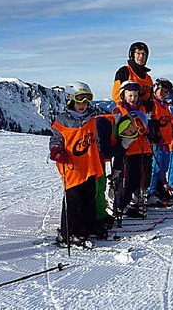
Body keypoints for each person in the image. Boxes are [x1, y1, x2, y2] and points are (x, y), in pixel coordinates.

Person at [49, 82, 106, 245]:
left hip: (89, 165)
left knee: (90, 197)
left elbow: (97, 139)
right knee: (73, 200)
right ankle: (69, 232)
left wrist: (101, 152)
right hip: (72, 167)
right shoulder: (63, 120)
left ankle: (88, 226)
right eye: (79, 100)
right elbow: (56, 139)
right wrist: (57, 151)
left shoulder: (92, 118)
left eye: (86, 101)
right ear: (70, 100)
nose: (83, 105)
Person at [111, 80, 153, 219]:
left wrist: (149, 131)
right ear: (123, 95)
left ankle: (127, 204)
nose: (133, 98)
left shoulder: (141, 109)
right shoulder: (119, 109)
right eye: (130, 95)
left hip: (139, 148)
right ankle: (119, 205)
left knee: (135, 178)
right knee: (123, 179)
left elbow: (146, 125)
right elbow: (115, 129)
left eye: (135, 95)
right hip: (125, 150)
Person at [148, 78, 173, 204]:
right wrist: (153, 133)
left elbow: (169, 122)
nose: (163, 94)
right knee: (155, 168)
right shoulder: (152, 104)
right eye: (161, 91)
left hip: (166, 141)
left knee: (163, 167)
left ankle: (159, 188)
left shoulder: (165, 106)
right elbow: (148, 121)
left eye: (166, 92)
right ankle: (150, 192)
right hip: (156, 142)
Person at [111, 41, 154, 113]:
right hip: (125, 114)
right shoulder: (124, 71)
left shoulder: (148, 79)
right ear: (132, 55)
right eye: (138, 53)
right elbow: (116, 95)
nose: (141, 56)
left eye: (144, 54)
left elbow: (150, 98)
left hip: (142, 116)